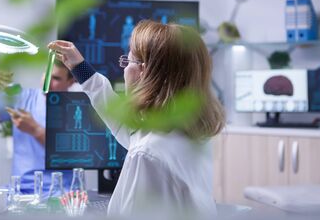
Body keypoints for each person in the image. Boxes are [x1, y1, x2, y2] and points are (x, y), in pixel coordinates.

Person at [49, 20, 225, 216]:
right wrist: (80, 67)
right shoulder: (191, 132)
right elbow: (127, 129)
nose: (124, 69)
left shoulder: (147, 154)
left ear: (145, 71)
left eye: (128, 61)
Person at [0, 60, 77, 192]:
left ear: (71, 81)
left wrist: (35, 130)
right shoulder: (23, 98)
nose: (47, 82)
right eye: (46, 74)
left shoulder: (77, 108)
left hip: (61, 190)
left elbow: (72, 156)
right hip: (21, 189)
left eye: (56, 78)